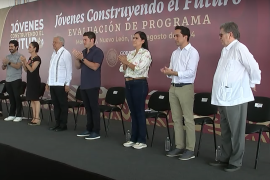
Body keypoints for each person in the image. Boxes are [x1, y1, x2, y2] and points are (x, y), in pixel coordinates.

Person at [209, 22, 261, 172]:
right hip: (223, 97)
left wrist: (253, 82)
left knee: (236, 132)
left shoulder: (240, 48)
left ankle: (236, 161)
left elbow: (254, 67)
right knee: (225, 130)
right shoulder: (225, 50)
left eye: (221, 35)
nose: (219, 38)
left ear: (230, 34)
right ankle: (225, 158)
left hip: (236, 97)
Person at [161, 26, 200, 160]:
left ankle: (190, 149)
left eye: (177, 35)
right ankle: (179, 146)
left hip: (186, 87)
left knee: (188, 119)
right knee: (176, 119)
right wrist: (168, 72)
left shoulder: (193, 52)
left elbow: (191, 72)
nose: (175, 38)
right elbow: (172, 72)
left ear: (185, 36)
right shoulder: (175, 53)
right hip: (173, 87)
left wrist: (174, 73)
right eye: (174, 35)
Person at [119, 31, 152, 150]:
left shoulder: (146, 53)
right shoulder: (131, 53)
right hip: (128, 83)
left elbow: (138, 68)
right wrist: (123, 63)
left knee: (139, 111)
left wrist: (126, 62)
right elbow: (122, 70)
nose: (133, 40)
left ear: (142, 40)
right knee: (132, 112)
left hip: (139, 83)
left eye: (136, 38)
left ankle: (142, 139)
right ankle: (133, 138)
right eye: (133, 38)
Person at [72, 31, 104, 140]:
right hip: (84, 84)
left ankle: (96, 131)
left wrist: (82, 59)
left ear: (92, 40)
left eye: (85, 39)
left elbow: (95, 66)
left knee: (94, 108)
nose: (83, 41)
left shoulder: (98, 52)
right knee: (87, 108)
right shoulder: (83, 52)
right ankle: (89, 129)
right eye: (83, 39)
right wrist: (77, 58)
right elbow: (77, 67)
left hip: (93, 84)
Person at [46, 36, 72, 132]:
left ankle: (63, 124)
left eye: (55, 42)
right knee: (56, 105)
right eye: (53, 42)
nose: (53, 44)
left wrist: (67, 83)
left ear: (61, 43)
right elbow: (51, 70)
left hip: (61, 84)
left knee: (62, 105)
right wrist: (48, 82)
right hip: (53, 84)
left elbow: (69, 70)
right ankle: (57, 123)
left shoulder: (66, 53)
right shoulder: (53, 54)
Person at [20, 42, 42, 125]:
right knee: (32, 99)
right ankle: (34, 117)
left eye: (30, 47)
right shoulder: (30, 58)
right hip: (30, 80)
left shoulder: (37, 58)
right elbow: (27, 70)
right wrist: (23, 62)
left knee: (36, 99)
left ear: (35, 48)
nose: (28, 48)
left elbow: (32, 69)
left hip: (35, 81)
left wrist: (25, 61)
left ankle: (37, 118)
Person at [2, 40, 23, 122]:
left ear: (16, 47)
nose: (10, 48)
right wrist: (4, 64)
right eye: (9, 46)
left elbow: (18, 66)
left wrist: (9, 63)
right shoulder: (8, 56)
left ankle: (19, 115)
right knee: (11, 98)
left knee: (17, 98)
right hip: (8, 80)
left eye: (11, 46)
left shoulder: (20, 56)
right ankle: (11, 114)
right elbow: (3, 68)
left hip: (16, 79)